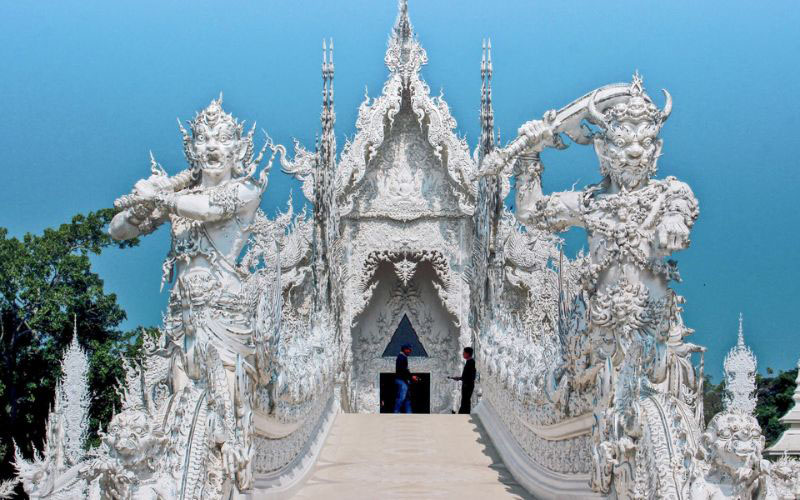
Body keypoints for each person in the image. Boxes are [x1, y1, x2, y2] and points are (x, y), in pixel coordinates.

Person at [449, 347, 476, 414]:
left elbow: (470, 376)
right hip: (467, 385)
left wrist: (460, 378)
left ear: (468, 354)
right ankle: (462, 414)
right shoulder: (469, 362)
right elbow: (466, 376)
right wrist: (459, 378)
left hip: (468, 385)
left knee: (465, 401)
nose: (463, 354)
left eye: (464, 353)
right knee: (465, 401)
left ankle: (463, 415)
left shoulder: (471, 363)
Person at [394, 344, 419, 413]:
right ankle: (396, 412)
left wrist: (410, 377)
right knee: (401, 398)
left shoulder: (403, 357)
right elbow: (403, 371)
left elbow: (405, 370)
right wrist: (411, 377)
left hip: (404, 380)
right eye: (409, 349)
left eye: (410, 349)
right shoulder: (401, 357)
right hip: (401, 380)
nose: (410, 351)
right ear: (404, 349)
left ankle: (409, 413)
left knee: (407, 399)